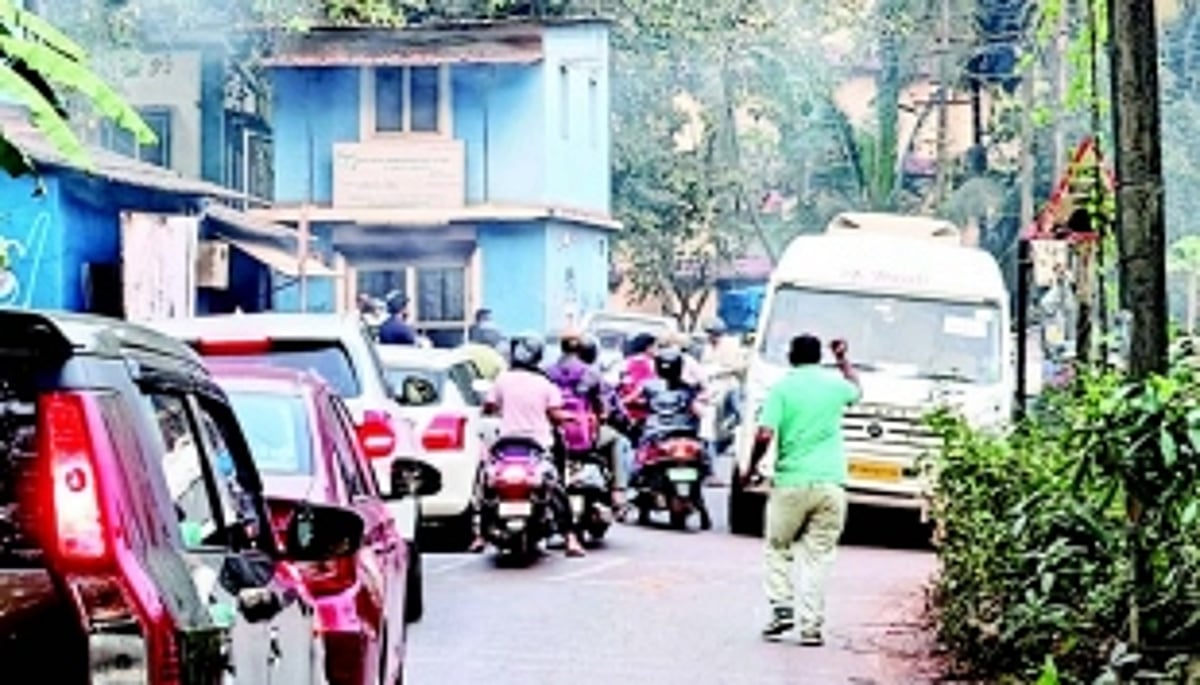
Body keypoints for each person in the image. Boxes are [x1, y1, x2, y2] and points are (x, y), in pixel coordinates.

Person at [741, 335, 860, 646]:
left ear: (791, 357)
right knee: (819, 557)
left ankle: (781, 608)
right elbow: (857, 390)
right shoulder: (834, 385)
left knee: (778, 546)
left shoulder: (782, 388)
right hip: (832, 484)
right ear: (819, 357)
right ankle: (812, 627)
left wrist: (751, 467)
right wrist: (843, 359)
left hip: (791, 483)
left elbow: (765, 433)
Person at [476, 332, 586, 557]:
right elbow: (555, 415)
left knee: (487, 484)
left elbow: (488, 406)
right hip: (538, 446)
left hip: (506, 446)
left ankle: (478, 535)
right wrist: (572, 418)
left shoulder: (502, 379)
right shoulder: (545, 385)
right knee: (556, 488)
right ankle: (570, 538)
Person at [546, 332, 626, 508]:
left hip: (552, 435)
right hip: (582, 437)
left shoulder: (547, 372)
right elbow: (603, 408)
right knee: (616, 440)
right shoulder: (591, 373)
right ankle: (618, 490)